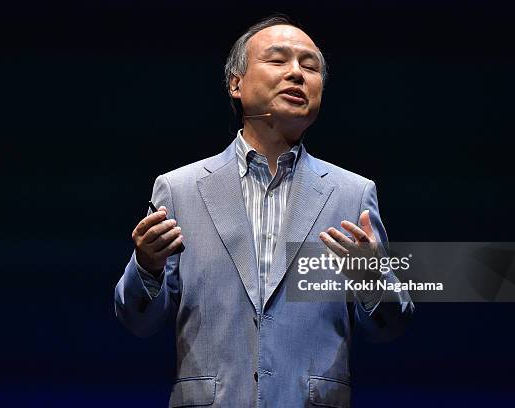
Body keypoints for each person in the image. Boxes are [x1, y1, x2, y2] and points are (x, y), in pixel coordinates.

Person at [114, 15, 414, 407]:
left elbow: (389, 328)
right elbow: (139, 322)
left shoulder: (352, 193)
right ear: (235, 84)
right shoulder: (179, 189)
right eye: (278, 60)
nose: (296, 73)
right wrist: (147, 267)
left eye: (310, 66)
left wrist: (371, 279)